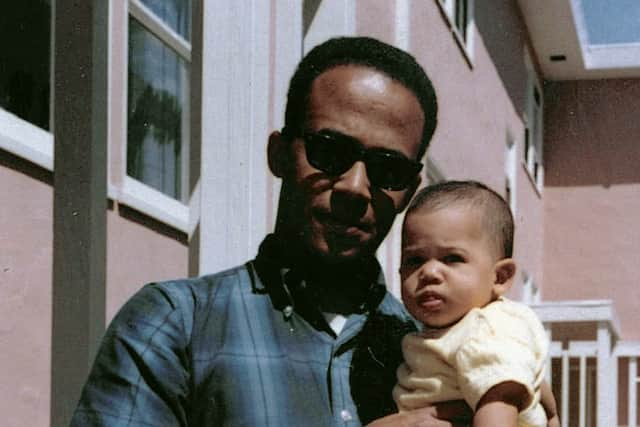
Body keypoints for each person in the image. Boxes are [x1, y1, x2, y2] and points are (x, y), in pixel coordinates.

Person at [70, 36, 461, 426]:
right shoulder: (174, 325)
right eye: (329, 151)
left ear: (408, 192)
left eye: (388, 169)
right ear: (279, 154)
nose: (355, 187)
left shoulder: (436, 352)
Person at [391, 181, 560, 426]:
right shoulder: (453, 331)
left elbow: (499, 400)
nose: (429, 272)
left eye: (452, 258)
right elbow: (542, 393)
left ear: (499, 277)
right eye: (415, 259)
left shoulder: (488, 329)